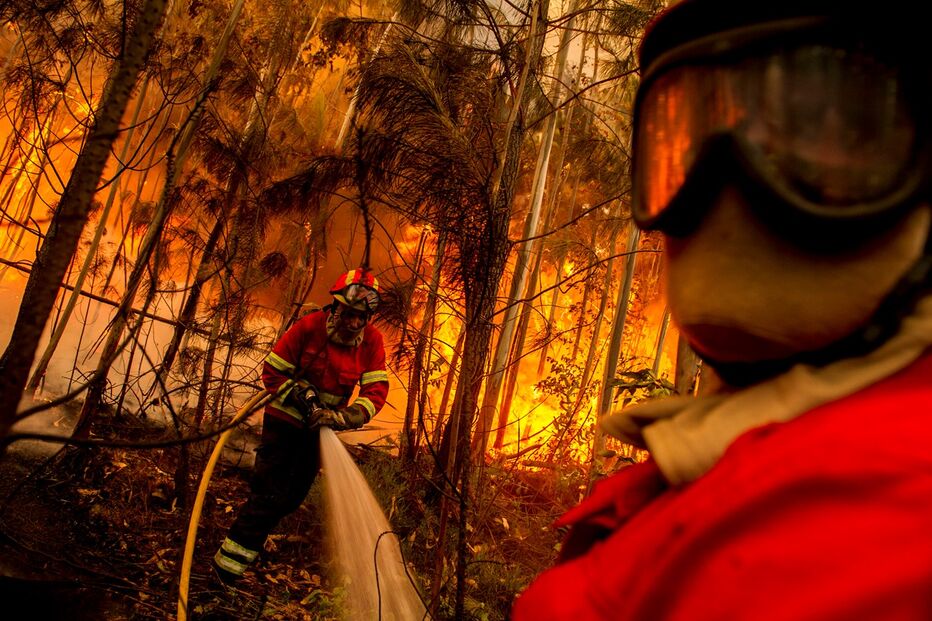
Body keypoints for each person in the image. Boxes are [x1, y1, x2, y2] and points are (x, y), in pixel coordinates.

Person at [513, 1, 932, 619]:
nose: (728, 184)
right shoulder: (722, 457)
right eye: (690, 141)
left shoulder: (893, 530)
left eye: (819, 139)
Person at [213, 268, 389, 582]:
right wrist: (300, 395)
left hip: (319, 432)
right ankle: (226, 569)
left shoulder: (372, 342)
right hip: (284, 423)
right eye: (348, 314)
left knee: (291, 498)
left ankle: (244, 552)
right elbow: (272, 372)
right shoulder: (309, 327)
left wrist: (344, 417)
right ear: (336, 307)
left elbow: (376, 391)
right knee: (268, 493)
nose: (354, 323)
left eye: (362, 317)